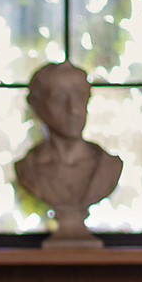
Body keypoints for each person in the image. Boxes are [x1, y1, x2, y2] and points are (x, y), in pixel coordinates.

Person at [14, 62, 122, 243]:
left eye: (80, 96)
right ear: (38, 106)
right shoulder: (29, 169)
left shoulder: (108, 167)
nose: (74, 108)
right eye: (59, 98)